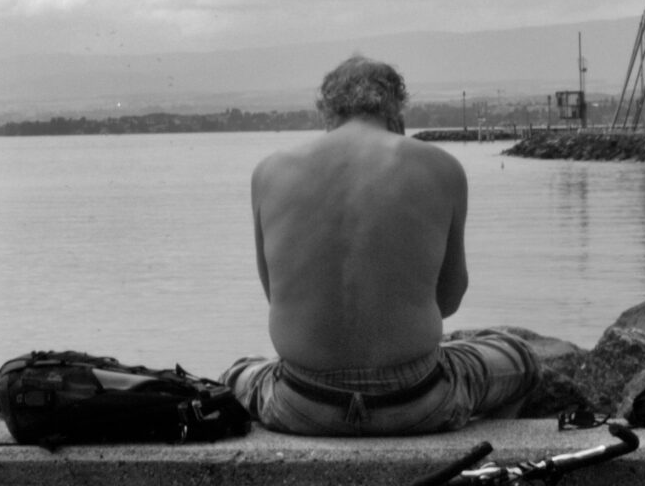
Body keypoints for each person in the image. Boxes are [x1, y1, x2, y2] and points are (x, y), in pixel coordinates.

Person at [223, 56, 537, 435]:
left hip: (301, 402)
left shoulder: (270, 171)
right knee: (520, 356)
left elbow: (277, 297)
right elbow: (449, 299)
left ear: (326, 111)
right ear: (396, 109)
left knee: (236, 373)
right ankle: (479, 464)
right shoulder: (441, 167)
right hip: (416, 399)